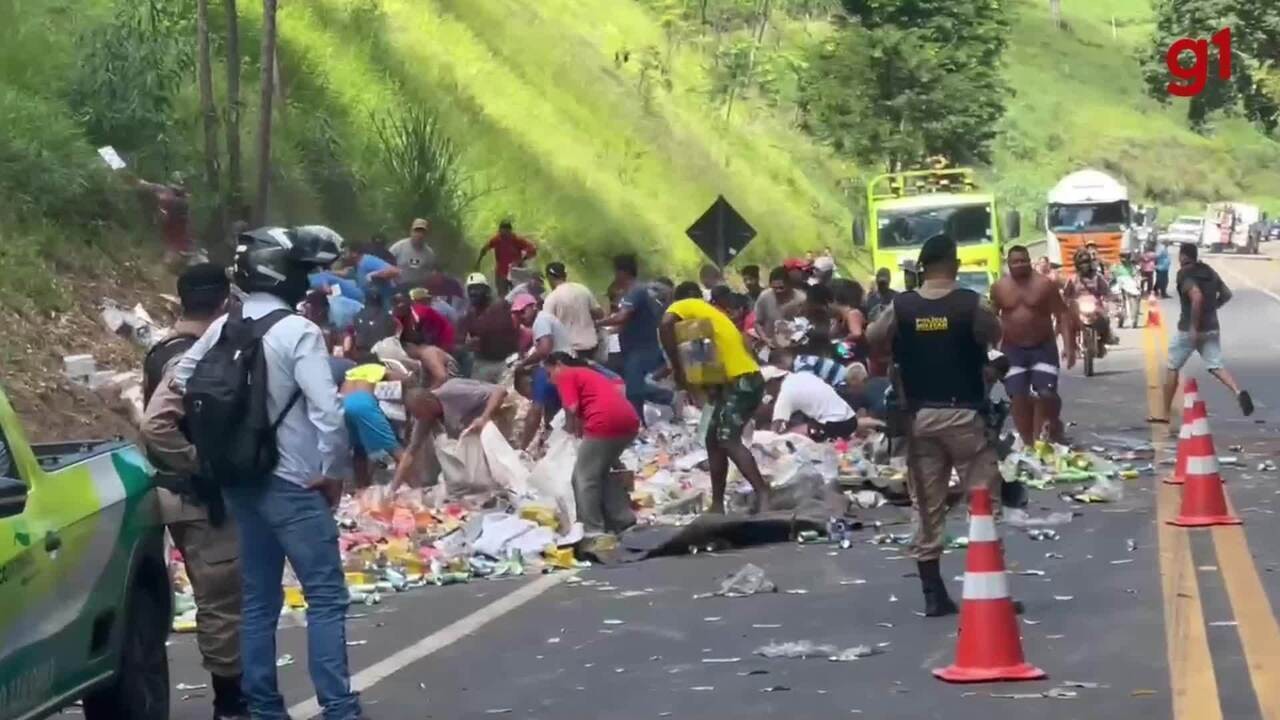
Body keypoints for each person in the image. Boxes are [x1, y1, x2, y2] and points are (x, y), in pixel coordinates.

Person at [172, 229, 363, 719]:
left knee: (258, 600)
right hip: (295, 483)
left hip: (240, 482)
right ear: (283, 273)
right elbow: (327, 412)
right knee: (324, 597)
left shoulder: (223, 328)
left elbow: (180, 379)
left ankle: (263, 707)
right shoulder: (297, 331)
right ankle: (338, 707)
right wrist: (332, 471)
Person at [867, 234, 1003, 618]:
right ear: (954, 264)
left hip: (920, 419)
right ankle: (990, 588)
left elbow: (874, 339)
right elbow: (994, 337)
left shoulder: (902, 306)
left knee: (927, 506)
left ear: (923, 267)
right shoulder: (971, 304)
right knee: (983, 502)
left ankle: (932, 593)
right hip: (965, 417)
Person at [140, 263, 248, 720]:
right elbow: (157, 427)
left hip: (169, 495)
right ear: (225, 301)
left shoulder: (160, 349)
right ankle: (229, 703)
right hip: (202, 499)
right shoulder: (204, 354)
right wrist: (200, 464)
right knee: (221, 603)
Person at [660, 287, 771, 514]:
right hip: (735, 382)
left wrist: (677, 367)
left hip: (743, 381)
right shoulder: (709, 316)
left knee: (728, 439)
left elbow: (665, 324)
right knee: (713, 439)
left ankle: (763, 492)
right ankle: (717, 504)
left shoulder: (682, 306)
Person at [544, 352, 640, 548]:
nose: (550, 379)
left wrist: (568, 433)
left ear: (559, 365)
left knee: (583, 476)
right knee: (601, 472)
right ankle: (623, 520)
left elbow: (571, 408)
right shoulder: (588, 373)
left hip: (604, 422)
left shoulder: (566, 374)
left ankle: (592, 531)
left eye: (549, 373)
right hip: (628, 421)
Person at [1150, 243, 1253, 423]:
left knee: (1172, 366)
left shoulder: (1185, 273)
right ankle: (1238, 391)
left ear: (1182, 256)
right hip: (1212, 327)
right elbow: (1227, 294)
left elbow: (1196, 296)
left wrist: (1193, 327)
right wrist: (1211, 309)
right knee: (1216, 365)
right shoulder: (1209, 271)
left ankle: (1164, 413)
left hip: (1189, 330)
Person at [989, 245, 1074, 447]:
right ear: (1008, 264)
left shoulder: (1045, 284)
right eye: (1015, 261)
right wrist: (990, 349)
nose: (1020, 265)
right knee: (1018, 397)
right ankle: (1028, 445)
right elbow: (990, 318)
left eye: (1023, 260)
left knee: (1045, 394)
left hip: (1042, 347)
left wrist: (1069, 347)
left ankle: (1040, 440)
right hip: (1012, 350)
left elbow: (1062, 314)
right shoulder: (999, 287)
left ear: (1030, 261)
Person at [599, 254, 675, 417]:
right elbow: (624, 324)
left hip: (641, 349)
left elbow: (622, 317)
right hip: (635, 348)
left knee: (634, 389)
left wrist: (597, 324)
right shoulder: (635, 291)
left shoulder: (635, 291)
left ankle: (670, 398)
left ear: (622, 272)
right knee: (632, 389)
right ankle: (639, 423)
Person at [514, 293, 575, 448]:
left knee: (537, 406)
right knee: (552, 407)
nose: (521, 316)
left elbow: (544, 349)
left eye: (523, 311)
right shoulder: (544, 320)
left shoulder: (540, 320)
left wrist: (523, 364)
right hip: (563, 365)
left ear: (533, 306)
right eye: (517, 313)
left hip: (556, 365)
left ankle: (523, 448)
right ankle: (552, 440)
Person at [763, 366, 859, 442]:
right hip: (851, 418)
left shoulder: (786, 394)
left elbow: (774, 431)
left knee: (787, 434)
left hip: (835, 425)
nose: (768, 392)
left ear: (772, 381)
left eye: (766, 388)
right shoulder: (803, 375)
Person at [460, 273, 519, 384]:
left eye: (477, 289)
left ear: (486, 290)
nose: (473, 292)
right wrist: (467, 344)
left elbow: (499, 329)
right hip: (483, 362)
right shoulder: (470, 313)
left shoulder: (500, 306)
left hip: (505, 361)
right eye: (471, 289)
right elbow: (461, 338)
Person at [543, 262, 605, 359]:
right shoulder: (582, 289)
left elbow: (546, 327)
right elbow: (599, 314)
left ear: (549, 277)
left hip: (569, 351)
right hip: (590, 346)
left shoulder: (552, 298)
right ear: (565, 275)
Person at [131, 171, 194, 262]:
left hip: (172, 225)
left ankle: (167, 256)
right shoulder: (166, 192)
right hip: (165, 223)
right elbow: (151, 187)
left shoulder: (179, 200)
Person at [1063, 248, 1115, 347]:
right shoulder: (1072, 278)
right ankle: (1070, 345)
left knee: (1105, 318)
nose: (1084, 265)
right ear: (1077, 264)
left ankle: (1105, 337)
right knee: (1068, 323)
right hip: (1078, 307)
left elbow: (1106, 290)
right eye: (1081, 262)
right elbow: (1066, 294)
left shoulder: (1097, 276)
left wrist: (1109, 297)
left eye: (1086, 262)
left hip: (1096, 305)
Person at [476, 220, 536, 294]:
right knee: (503, 298)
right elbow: (484, 249)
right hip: (501, 273)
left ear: (510, 231)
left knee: (518, 295)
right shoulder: (496, 239)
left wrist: (522, 260)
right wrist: (478, 262)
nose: (504, 235)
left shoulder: (517, 239)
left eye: (507, 233)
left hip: (516, 273)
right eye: (501, 233)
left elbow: (533, 249)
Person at [753, 266, 807, 347]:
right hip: (770, 344)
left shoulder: (801, 299)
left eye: (781, 288)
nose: (777, 291)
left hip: (794, 346)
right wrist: (764, 338)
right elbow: (757, 323)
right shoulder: (764, 297)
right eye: (774, 288)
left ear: (789, 284)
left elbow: (806, 325)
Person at [342, 241, 400, 310]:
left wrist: (373, 274)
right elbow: (346, 273)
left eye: (345, 252)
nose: (343, 255)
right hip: (373, 302)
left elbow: (395, 271)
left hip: (386, 300)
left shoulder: (367, 261)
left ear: (354, 253)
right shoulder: (357, 264)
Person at [389, 218, 436, 289]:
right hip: (398, 288)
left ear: (426, 234)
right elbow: (385, 265)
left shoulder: (429, 253)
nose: (419, 235)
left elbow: (431, 272)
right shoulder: (398, 247)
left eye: (422, 232)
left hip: (419, 291)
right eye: (416, 231)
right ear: (411, 232)